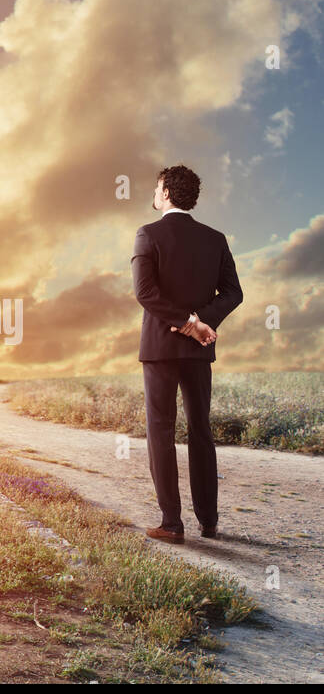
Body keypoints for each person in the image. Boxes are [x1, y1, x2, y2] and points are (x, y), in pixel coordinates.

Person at [131, 164, 243, 543]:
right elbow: (233, 293)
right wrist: (201, 322)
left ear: (164, 192)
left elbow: (146, 294)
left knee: (160, 431)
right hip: (199, 350)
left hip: (160, 349)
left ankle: (172, 524)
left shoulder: (148, 234)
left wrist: (185, 322)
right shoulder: (215, 239)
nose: (154, 191)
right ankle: (209, 522)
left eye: (156, 186)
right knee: (201, 430)